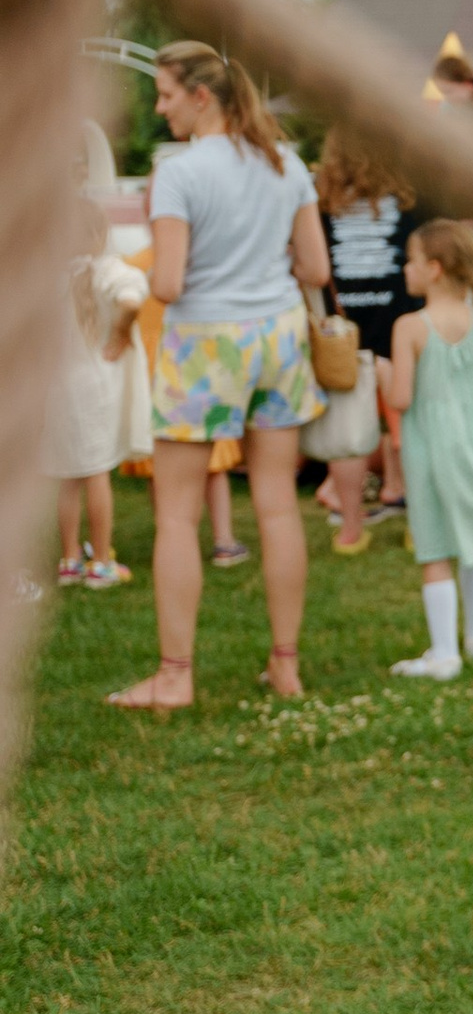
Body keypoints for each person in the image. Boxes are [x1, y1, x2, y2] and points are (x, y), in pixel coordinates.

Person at [110, 41, 328, 710]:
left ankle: (175, 676)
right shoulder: (285, 162)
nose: (161, 108)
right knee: (277, 505)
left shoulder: (179, 172)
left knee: (176, 516)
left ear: (201, 96)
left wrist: (123, 282)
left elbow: (170, 283)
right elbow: (316, 270)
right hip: (279, 338)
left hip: (206, 344)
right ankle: (285, 666)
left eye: (167, 94)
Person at [382, 219, 473, 680]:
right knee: (472, 537)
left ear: (434, 269)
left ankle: (444, 653)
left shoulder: (410, 327)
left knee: (435, 544)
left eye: (411, 260)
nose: (405, 268)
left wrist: (377, 378)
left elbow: (401, 398)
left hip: (431, 447)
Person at [309, 130, 416, 551]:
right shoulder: (409, 201)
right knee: (408, 429)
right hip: (401, 330)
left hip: (344, 337)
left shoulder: (322, 205)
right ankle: (419, 525)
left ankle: (351, 529)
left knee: (347, 436)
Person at [44, 190, 147, 589]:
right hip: (96, 388)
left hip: (58, 389)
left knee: (68, 474)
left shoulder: (50, 277)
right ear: (100, 232)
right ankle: (101, 561)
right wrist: (120, 331)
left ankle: (69, 558)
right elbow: (132, 299)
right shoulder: (109, 271)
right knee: (96, 473)